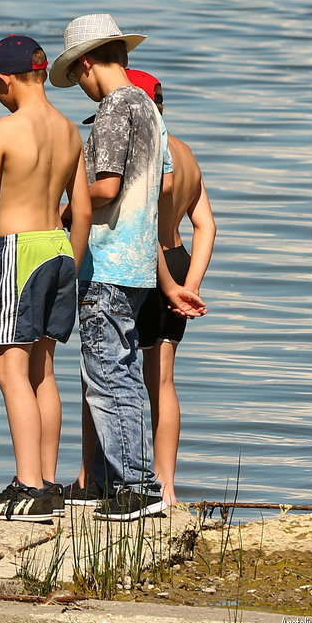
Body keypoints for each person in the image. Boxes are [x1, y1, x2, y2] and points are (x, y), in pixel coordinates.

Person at [50, 13, 205, 521]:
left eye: (77, 77)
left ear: (88, 62)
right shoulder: (149, 109)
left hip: (110, 261)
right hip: (141, 263)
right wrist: (170, 282)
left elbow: (107, 188)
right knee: (125, 374)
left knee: (107, 374)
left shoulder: (116, 106)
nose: (80, 88)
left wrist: (63, 204)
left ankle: (135, 487)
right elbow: (155, 195)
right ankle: (135, 483)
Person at [0, 34, 92, 522]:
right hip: (58, 248)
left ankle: (27, 486)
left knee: (11, 369)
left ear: (5, 80)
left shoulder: (4, 130)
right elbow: (83, 209)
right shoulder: (71, 130)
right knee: (43, 369)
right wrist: (70, 258)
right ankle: (48, 484)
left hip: (19, 252)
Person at [126, 69, 217, 506]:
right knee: (162, 381)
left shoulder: (147, 152)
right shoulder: (186, 151)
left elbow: (141, 225)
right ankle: (167, 486)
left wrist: (165, 280)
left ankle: (93, 476)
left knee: (109, 375)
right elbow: (206, 225)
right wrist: (190, 283)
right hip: (179, 260)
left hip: (146, 264)